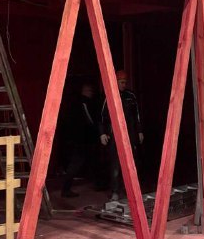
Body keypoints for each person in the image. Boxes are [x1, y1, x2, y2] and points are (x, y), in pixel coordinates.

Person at [99, 70, 143, 201]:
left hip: (130, 135)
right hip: (115, 136)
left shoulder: (131, 96)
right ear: (116, 82)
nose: (124, 85)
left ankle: (132, 191)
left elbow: (137, 115)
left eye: (125, 82)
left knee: (132, 164)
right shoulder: (109, 96)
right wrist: (102, 133)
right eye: (121, 82)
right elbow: (101, 117)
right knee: (115, 165)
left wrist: (139, 131)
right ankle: (115, 191)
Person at [60, 82, 99, 198]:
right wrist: (97, 132)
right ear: (85, 91)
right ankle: (66, 188)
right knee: (78, 162)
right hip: (82, 139)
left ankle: (97, 182)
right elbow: (90, 121)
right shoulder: (84, 103)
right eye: (90, 91)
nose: (91, 93)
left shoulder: (75, 103)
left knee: (89, 161)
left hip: (79, 138)